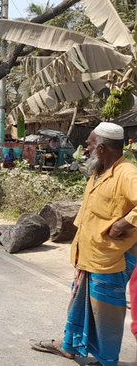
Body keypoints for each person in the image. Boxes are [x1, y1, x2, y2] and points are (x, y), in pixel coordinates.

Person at [32, 122, 137, 366]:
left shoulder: (127, 173)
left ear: (101, 148)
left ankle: (106, 360)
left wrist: (125, 222)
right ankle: (69, 346)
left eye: (89, 144)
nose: (85, 148)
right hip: (90, 253)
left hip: (111, 258)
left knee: (106, 311)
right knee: (80, 301)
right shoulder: (98, 171)